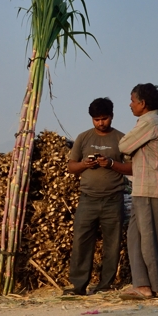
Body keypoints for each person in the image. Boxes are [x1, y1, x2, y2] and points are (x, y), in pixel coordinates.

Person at [66, 98, 130, 296]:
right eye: (97, 120)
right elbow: (71, 166)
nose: (101, 123)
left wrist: (111, 163)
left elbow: (132, 168)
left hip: (113, 199)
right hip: (88, 199)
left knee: (112, 244)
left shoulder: (122, 139)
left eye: (104, 118)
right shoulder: (83, 138)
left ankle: (105, 286)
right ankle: (78, 286)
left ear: (112, 116)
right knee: (81, 243)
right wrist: (85, 164)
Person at [118, 83, 158, 300]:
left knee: (147, 238)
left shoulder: (150, 123)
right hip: (142, 186)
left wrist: (128, 148)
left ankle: (153, 285)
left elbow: (124, 146)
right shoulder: (148, 123)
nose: (130, 105)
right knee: (134, 237)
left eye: (132, 100)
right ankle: (142, 284)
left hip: (150, 186)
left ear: (143, 103)